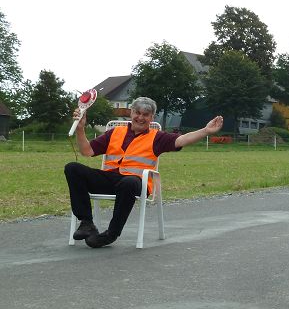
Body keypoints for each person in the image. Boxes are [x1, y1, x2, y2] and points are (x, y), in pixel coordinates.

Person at [65, 96, 224, 248]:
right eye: (137, 113)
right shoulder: (115, 132)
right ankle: (87, 223)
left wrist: (206, 131)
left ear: (152, 117)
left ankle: (111, 234)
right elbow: (87, 151)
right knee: (72, 168)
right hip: (109, 178)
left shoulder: (157, 137)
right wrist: (80, 129)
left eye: (146, 115)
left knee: (128, 182)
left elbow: (182, 140)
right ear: (131, 113)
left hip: (136, 183)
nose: (141, 118)